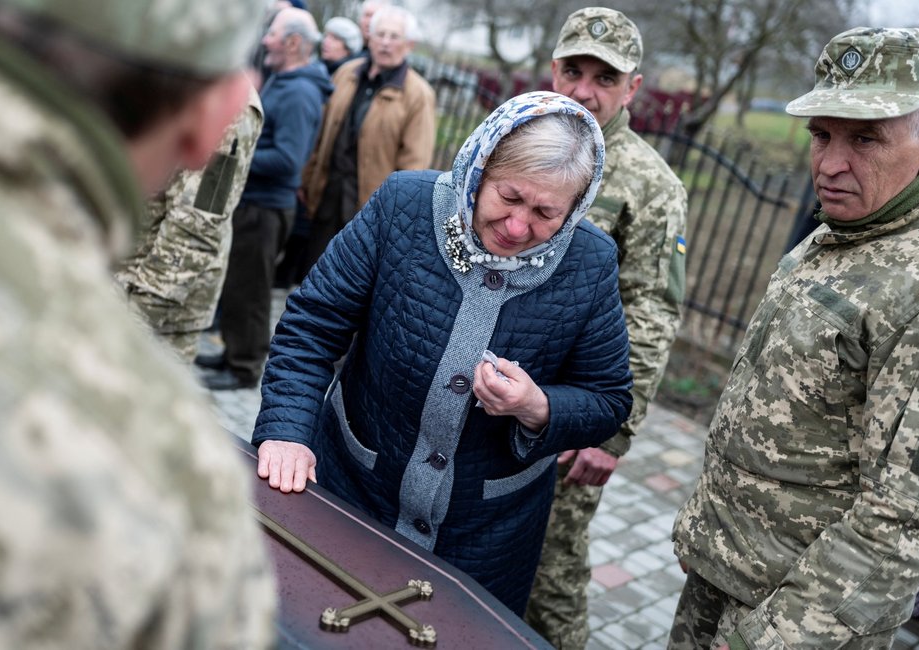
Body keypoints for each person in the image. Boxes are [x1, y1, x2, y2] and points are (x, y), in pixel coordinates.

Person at [0, 0, 276, 648]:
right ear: (199, 119)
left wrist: (110, 325)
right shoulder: (172, 475)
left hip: (152, 307)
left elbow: (194, 235)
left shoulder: (236, 117)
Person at [252, 91, 634, 616]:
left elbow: (609, 398)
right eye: (509, 197)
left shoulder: (590, 262)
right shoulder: (403, 206)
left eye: (546, 212)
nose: (519, 227)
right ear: (479, 169)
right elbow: (312, 325)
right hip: (356, 489)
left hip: (486, 536)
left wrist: (537, 407)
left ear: (574, 209)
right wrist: (287, 430)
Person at [671, 26, 919, 649]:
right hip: (726, 576)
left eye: (865, 138)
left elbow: (908, 517)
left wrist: (772, 639)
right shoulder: (848, 228)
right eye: (821, 134)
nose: (829, 163)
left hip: (795, 623)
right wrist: (705, 532)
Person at [524, 8, 688, 649]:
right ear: (554, 68)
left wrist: (610, 433)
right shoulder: (520, 139)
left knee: (549, 570)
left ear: (633, 88)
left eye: (604, 77)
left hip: (569, 410)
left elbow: (651, 313)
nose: (583, 90)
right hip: (486, 385)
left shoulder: (652, 187)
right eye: (573, 70)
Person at [201, 7, 332, 390]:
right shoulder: (284, 80)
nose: (264, 40)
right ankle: (231, 352)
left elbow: (289, 159)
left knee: (251, 291)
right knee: (238, 285)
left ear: (293, 42)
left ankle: (243, 367)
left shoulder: (301, 92)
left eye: (272, 34)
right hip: (254, 203)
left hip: (266, 208)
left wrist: (229, 156)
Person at [116, 87, 264, 362]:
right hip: (120, 279)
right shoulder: (182, 76)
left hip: (155, 303)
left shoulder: (232, 108)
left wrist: (138, 315)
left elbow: (197, 228)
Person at [298, 4, 436, 276]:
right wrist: (307, 178)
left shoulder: (418, 94)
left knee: (346, 283)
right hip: (326, 197)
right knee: (312, 275)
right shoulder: (346, 73)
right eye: (380, 34)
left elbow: (414, 163)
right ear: (368, 38)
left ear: (409, 44)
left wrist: (397, 216)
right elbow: (321, 131)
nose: (385, 42)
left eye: (394, 36)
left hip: (368, 209)